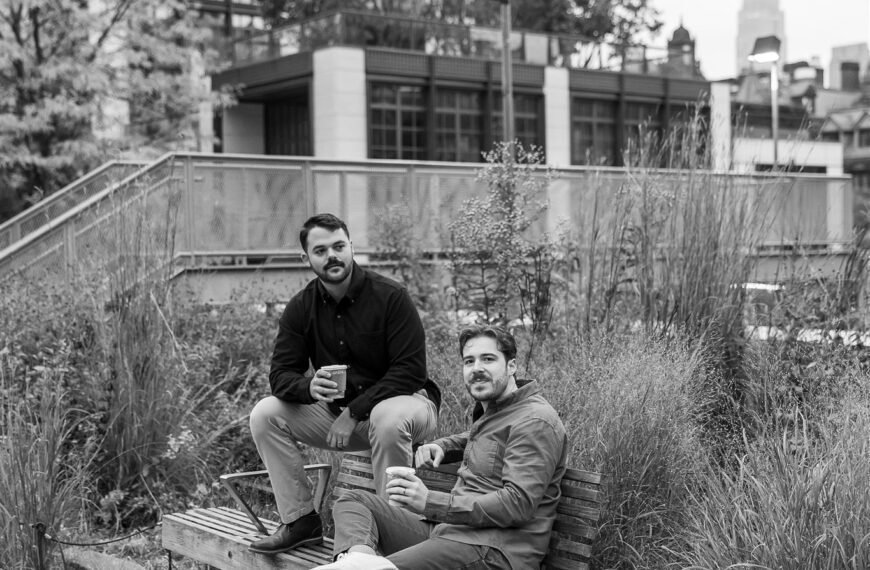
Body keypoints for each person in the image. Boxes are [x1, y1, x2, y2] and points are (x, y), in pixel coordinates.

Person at [248, 213, 441, 554]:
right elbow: (280, 376)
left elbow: (410, 370)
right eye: (320, 250)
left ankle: (395, 534)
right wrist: (309, 388)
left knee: (387, 418)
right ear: (305, 258)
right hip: (339, 417)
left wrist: (354, 411)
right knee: (265, 414)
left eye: (339, 246)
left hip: (408, 405)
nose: (332, 256)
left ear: (352, 247)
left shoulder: (391, 296)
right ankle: (300, 521)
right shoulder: (300, 307)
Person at [313, 325, 568, 570]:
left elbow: (517, 504)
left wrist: (430, 501)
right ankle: (361, 562)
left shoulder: (535, 421)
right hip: (450, 533)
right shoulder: (500, 411)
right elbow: (493, 438)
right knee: (354, 501)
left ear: (512, 365)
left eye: (488, 359)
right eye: (469, 361)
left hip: (495, 550)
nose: (476, 369)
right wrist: (445, 445)